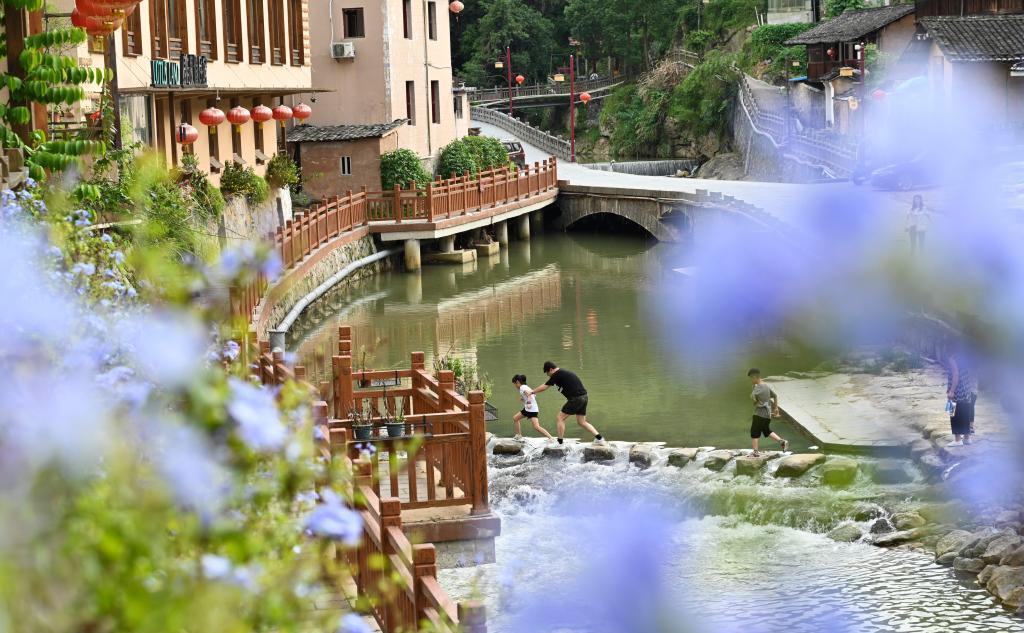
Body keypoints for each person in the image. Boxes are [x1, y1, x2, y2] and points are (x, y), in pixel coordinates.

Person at [531, 361, 605, 445]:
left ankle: (560, 443)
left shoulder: (557, 374)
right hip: (584, 397)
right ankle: (599, 438)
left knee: (560, 418)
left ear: (551, 369)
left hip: (576, 398)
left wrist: (532, 392)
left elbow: (545, 386)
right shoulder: (562, 373)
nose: (548, 375)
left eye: (547, 373)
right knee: (582, 422)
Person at [748, 368, 789, 456]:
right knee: (766, 430)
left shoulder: (758, 387)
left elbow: (752, 396)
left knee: (754, 432)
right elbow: (775, 396)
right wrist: (776, 408)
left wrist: (755, 401)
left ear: (755, 377)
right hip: (767, 414)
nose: (751, 380)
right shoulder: (765, 386)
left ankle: (755, 452)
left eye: (751, 378)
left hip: (759, 414)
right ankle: (782, 442)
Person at [946, 350, 978, 446]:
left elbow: (955, 374)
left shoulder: (952, 358)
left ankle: (957, 439)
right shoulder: (965, 356)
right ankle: (967, 438)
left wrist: (951, 391)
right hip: (967, 390)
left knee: (952, 413)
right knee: (965, 413)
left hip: (957, 390)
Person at [511, 374, 554, 441]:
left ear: (517, 382)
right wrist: (523, 398)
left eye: (514, 383)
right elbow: (534, 394)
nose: (515, 385)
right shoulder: (526, 387)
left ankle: (551, 438)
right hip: (528, 409)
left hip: (531, 410)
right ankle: (519, 435)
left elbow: (529, 395)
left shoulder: (522, 387)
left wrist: (528, 403)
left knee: (536, 426)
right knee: (515, 418)